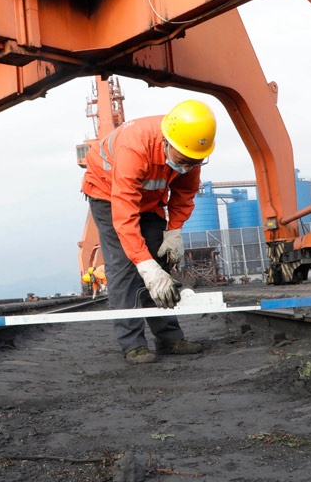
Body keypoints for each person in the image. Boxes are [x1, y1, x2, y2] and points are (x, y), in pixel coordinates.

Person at [81, 100, 216, 364]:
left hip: (150, 200)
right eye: (183, 161)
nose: (187, 167)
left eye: (194, 162)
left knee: (160, 261)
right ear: (167, 142)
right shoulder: (135, 148)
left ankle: (169, 339)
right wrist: (144, 264)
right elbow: (124, 215)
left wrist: (174, 231)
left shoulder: (190, 150)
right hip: (108, 195)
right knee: (124, 266)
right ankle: (133, 345)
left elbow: (185, 193)